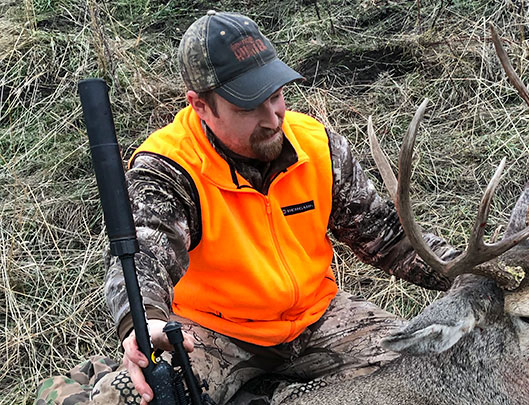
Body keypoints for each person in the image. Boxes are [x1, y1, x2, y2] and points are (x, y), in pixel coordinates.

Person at [36, 10, 457, 405]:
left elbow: (388, 237)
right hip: (212, 331)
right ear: (200, 105)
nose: (273, 117)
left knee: (428, 374)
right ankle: (76, 386)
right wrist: (143, 322)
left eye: (276, 95)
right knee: (141, 395)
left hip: (317, 316)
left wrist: (477, 272)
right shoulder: (170, 167)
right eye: (248, 106)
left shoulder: (317, 146)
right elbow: (145, 254)